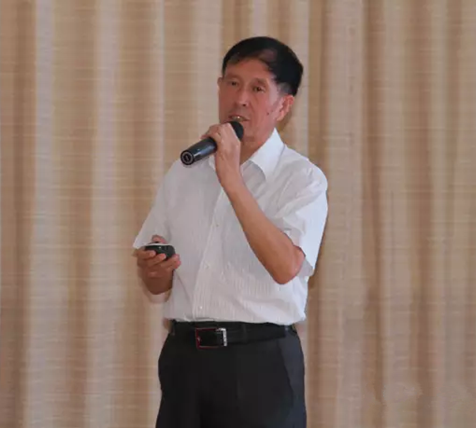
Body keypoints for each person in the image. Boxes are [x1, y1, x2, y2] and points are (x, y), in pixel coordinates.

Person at [133, 36, 328, 428]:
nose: (240, 99)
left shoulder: (302, 179)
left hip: (258, 364)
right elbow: (156, 284)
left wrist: (232, 180)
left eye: (257, 89)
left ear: (283, 106)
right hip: (185, 360)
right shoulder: (186, 171)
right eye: (233, 83)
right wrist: (155, 268)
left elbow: (286, 266)